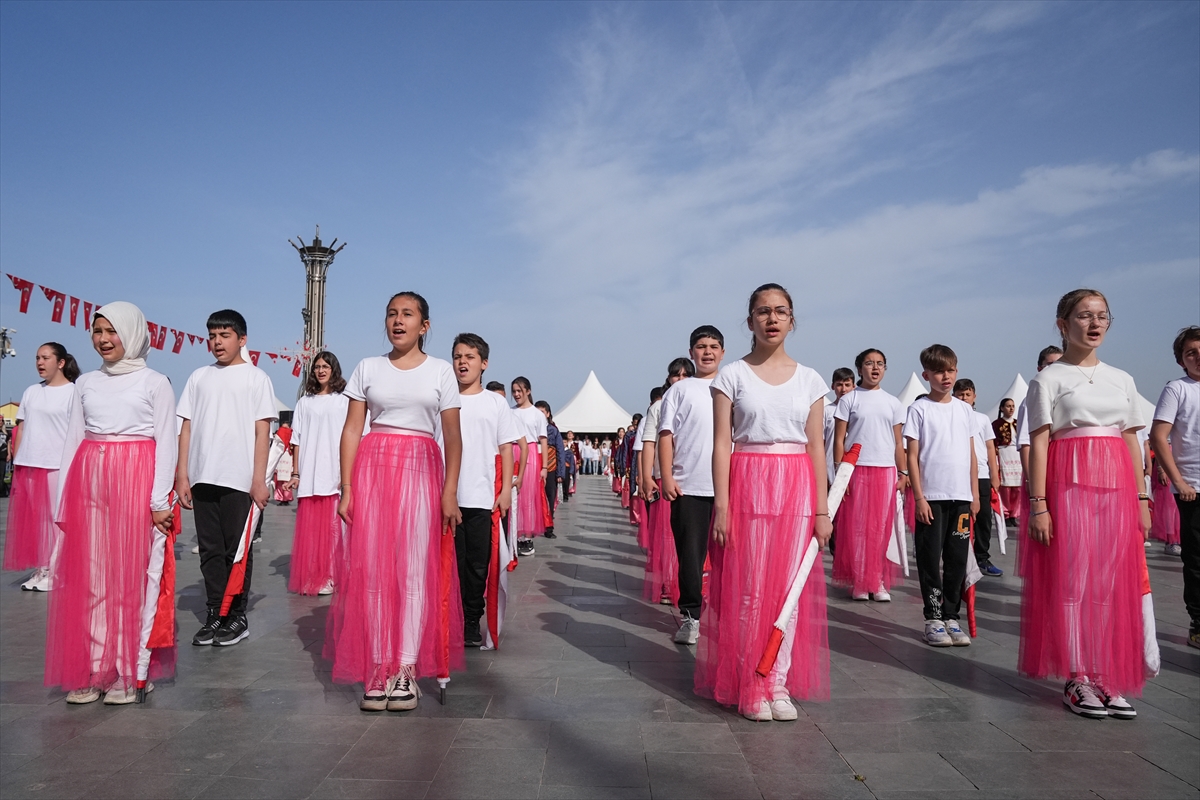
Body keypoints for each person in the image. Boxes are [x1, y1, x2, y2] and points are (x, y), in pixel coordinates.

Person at [699, 283, 831, 721]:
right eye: (763, 311)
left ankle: (777, 681)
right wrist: (722, 505)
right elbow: (722, 444)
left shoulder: (811, 380)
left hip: (797, 487)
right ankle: (750, 681)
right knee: (752, 592)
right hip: (748, 483)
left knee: (788, 594)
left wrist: (822, 509)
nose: (772, 319)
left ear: (792, 319)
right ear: (750, 320)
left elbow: (816, 448)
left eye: (780, 311)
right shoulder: (732, 376)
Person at [329, 292, 464, 712]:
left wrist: (450, 492)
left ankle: (405, 668)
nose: (398, 321)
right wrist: (347, 488)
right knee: (372, 569)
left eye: (407, 314)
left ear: (425, 326)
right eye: (391, 314)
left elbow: (453, 437)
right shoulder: (367, 368)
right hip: (373, 469)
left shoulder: (440, 371)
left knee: (412, 571)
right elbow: (352, 430)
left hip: (422, 470)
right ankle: (377, 666)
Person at [1022, 289, 1151, 719]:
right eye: (1083, 315)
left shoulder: (1122, 379)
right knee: (1073, 581)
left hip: (1116, 489)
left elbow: (1131, 439)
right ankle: (1077, 675)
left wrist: (1142, 497)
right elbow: (1040, 443)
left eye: (1102, 315)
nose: (1095, 323)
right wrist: (1038, 504)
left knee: (1109, 583)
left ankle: (1103, 672)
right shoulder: (1048, 379)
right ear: (1063, 324)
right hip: (1069, 486)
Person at [46, 303, 177, 704]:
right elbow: (73, 440)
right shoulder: (86, 383)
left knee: (133, 577)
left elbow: (166, 443)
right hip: (90, 481)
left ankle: (129, 668)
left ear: (132, 333)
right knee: (94, 578)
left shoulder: (155, 382)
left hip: (137, 481)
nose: (103, 339)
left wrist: (159, 500)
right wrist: (63, 501)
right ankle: (96, 665)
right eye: (97, 331)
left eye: (111, 331)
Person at [176, 310, 277, 648]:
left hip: (239, 478)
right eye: (212, 336)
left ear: (242, 339)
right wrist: (182, 474)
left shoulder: (256, 378)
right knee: (209, 550)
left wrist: (258, 480)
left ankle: (236, 615)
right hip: (203, 475)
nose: (217, 342)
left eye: (225, 335)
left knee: (237, 550)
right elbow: (186, 428)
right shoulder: (199, 377)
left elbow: (262, 433)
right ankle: (214, 612)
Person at [904, 344, 979, 648]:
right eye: (938, 371)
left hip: (961, 497)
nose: (945, 377)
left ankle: (951, 616)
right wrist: (919, 497)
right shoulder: (918, 409)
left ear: (956, 371)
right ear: (926, 375)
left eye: (950, 370)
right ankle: (933, 618)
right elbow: (912, 456)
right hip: (931, 497)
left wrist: (974, 495)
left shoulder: (964, 410)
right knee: (929, 559)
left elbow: (972, 455)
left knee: (957, 560)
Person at [659, 324, 725, 645]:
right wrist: (666, 476)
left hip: (729, 488)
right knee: (690, 557)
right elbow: (666, 435)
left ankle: (728, 615)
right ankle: (690, 617)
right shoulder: (679, 390)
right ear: (691, 353)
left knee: (731, 558)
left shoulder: (733, 386)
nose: (707, 352)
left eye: (713, 346)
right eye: (701, 346)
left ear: (723, 353)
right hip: (689, 488)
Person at [452, 334, 517, 648]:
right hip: (448, 497)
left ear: (484, 364)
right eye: (457, 356)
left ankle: (470, 620)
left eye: (470, 357)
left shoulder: (496, 402)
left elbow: (506, 449)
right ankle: (451, 618)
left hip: (482, 498)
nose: (462, 362)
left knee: (478, 565)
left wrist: (504, 492)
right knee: (452, 563)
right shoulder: (444, 399)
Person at [832, 349, 906, 602]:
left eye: (880, 364)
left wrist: (903, 472)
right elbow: (839, 439)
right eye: (869, 363)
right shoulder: (849, 400)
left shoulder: (893, 402)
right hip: (857, 469)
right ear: (859, 368)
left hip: (885, 470)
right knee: (858, 528)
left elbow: (898, 442)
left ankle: (878, 580)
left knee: (881, 529)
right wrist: (840, 473)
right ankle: (861, 581)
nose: (875, 368)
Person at [4, 343, 79, 592]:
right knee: (36, 521)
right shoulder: (31, 392)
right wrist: (17, 461)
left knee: (56, 519)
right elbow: (21, 428)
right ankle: (42, 568)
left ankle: (57, 570)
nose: (39, 362)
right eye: (37, 358)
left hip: (57, 463)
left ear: (61, 362)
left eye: (45, 358)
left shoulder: (73, 392)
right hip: (29, 463)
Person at [1150, 326, 1200, 649]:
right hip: (1193, 488)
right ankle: (1198, 622)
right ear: (1182, 360)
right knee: (1196, 560)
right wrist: (1179, 481)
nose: (1198, 357)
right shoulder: (1177, 390)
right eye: (1191, 353)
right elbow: (1158, 436)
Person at [286, 351, 349, 596]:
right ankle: (313, 574)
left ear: (334, 370)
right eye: (317, 367)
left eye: (325, 366)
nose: (321, 370)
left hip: (334, 472)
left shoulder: (344, 401)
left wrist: (348, 474)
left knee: (333, 530)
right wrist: (296, 473)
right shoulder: (305, 402)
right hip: (310, 474)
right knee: (311, 532)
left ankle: (331, 574)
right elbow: (297, 439)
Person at [642, 358, 695, 605]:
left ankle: (692, 584)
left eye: (686, 375)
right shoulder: (658, 407)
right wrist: (646, 477)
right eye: (676, 375)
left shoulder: (706, 398)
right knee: (667, 534)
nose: (680, 380)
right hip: (666, 477)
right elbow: (648, 443)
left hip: (696, 477)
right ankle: (668, 583)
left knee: (693, 536)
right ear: (668, 378)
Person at [953, 379, 1002, 577]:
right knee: (959, 520)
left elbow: (990, 448)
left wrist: (994, 474)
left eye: (967, 394)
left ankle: (982, 557)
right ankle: (959, 559)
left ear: (974, 396)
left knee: (983, 519)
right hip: (958, 475)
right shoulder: (951, 417)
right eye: (960, 394)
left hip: (981, 474)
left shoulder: (982, 419)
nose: (964, 398)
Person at [512, 377, 549, 556]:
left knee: (527, 497)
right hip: (512, 452)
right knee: (514, 495)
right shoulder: (510, 412)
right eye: (514, 391)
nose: (516, 394)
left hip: (531, 453)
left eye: (519, 391)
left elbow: (543, 441)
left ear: (528, 391)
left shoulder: (537, 414)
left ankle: (526, 536)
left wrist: (544, 467)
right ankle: (514, 534)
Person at [535, 400, 564, 537]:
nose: (539, 415)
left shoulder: (553, 430)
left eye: (542, 412)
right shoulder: (530, 428)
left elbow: (560, 451)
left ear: (548, 414)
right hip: (534, 467)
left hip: (550, 468)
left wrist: (560, 473)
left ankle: (548, 527)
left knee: (549, 497)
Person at [993, 399, 1022, 523]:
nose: (1011, 408)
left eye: (1013, 406)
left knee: (1018, 487)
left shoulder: (1018, 423)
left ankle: (1014, 514)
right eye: (1008, 406)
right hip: (1004, 454)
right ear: (1002, 408)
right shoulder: (996, 424)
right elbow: (993, 442)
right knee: (1006, 486)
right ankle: (1005, 513)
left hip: (1017, 455)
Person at [273, 421, 294, 505]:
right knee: (279, 482)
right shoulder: (278, 439)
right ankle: (280, 498)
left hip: (288, 460)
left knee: (287, 481)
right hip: (280, 462)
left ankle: (287, 498)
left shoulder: (292, 440)